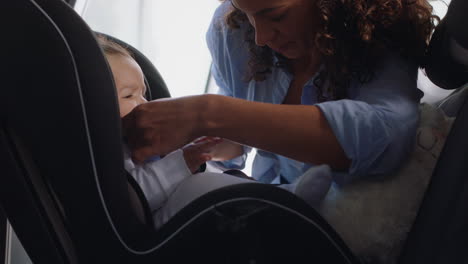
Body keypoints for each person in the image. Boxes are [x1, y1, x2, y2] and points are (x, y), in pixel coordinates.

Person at [122, 0, 437, 186]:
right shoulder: (231, 31)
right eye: (246, 12)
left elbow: (390, 133)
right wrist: (190, 142)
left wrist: (210, 114)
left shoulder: (381, 37)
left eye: (277, 15)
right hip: (268, 203)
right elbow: (242, 137)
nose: (260, 36)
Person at [97, 35, 332, 228]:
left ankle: (285, 198)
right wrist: (182, 162)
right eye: (129, 95)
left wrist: (196, 146)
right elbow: (135, 200)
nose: (144, 103)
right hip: (159, 226)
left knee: (218, 179)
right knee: (202, 187)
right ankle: (288, 203)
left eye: (143, 93)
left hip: (184, 204)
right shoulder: (110, 151)